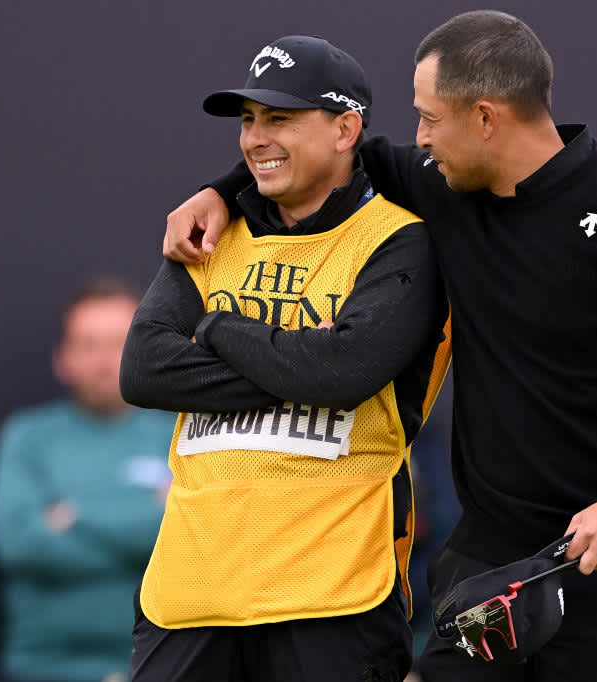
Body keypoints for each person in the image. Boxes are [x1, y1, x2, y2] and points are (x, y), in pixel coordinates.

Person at [162, 12, 597, 681]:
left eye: (431, 119)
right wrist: (218, 192)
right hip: (487, 572)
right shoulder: (445, 189)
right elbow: (330, 152)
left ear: (486, 118)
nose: (420, 138)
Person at [119, 35, 449, 682]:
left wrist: (215, 324)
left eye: (280, 118)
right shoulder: (209, 232)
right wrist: (303, 362)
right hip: (190, 591)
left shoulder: (400, 240)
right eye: (248, 120)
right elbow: (144, 369)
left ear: (345, 129)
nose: (255, 139)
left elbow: (343, 373)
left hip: (334, 596)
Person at [0, 277, 173, 682]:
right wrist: (151, 517)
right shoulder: (27, 438)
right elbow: (18, 543)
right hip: (44, 668)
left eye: (117, 342)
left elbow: (198, 538)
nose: (104, 361)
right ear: (62, 358)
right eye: (87, 345)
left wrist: (75, 515)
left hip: (161, 666)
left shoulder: (180, 435)